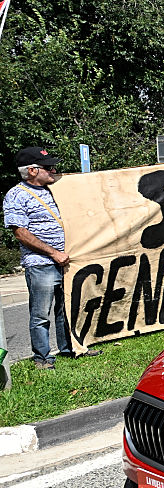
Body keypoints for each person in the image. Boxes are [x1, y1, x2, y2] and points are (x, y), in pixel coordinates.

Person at [3, 147, 101, 369]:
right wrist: (53, 253)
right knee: (40, 314)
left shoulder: (57, 190)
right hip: (41, 264)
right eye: (48, 167)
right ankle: (42, 358)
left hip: (65, 261)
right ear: (32, 170)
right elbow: (20, 233)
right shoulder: (16, 195)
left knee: (66, 309)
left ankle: (70, 348)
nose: (54, 170)